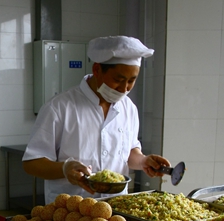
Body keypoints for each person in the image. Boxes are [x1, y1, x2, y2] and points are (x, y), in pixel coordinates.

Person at [23, 35, 171, 204]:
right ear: (97, 70)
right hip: (70, 210)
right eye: (118, 80)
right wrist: (64, 169)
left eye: (132, 80)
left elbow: (128, 152)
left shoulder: (128, 108)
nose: (124, 89)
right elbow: (32, 162)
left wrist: (144, 160)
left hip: (116, 208)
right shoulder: (59, 107)